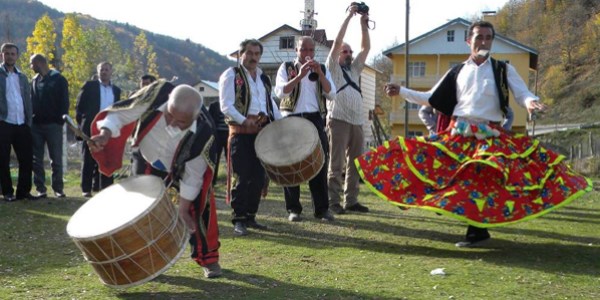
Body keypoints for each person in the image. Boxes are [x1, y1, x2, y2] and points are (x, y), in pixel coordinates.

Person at [359, 20, 591, 248]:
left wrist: (531, 103)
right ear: (469, 41)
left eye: (488, 37)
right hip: (459, 134)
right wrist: (402, 91)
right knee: (437, 167)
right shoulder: (457, 71)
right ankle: (473, 228)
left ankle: (477, 231)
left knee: (482, 179)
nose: (484, 41)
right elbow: (431, 98)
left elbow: (523, 93)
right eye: (479, 37)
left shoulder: (503, 69)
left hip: (490, 135)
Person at [87, 82, 222, 278]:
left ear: (195, 117)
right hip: (147, 159)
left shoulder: (204, 133)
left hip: (183, 167)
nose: (171, 124)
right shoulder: (154, 95)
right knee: (140, 210)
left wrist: (183, 209)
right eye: (169, 115)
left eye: (181, 122)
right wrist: (105, 134)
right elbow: (120, 114)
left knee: (201, 209)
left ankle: (209, 259)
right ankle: (143, 259)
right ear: (168, 101)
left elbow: (194, 178)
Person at [219, 39, 282, 236]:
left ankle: (251, 216)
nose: (254, 57)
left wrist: (280, 123)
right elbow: (226, 105)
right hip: (241, 133)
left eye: (257, 54)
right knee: (243, 175)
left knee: (258, 176)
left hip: (262, 132)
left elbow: (270, 102)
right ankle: (239, 218)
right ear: (241, 54)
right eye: (250, 53)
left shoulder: (263, 78)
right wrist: (244, 120)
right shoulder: (231, 74)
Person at [274, 36, 336, 222]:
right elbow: (280, 92)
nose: (307, 54)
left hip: (315, 118)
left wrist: (321, 74)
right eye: (303, 50)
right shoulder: (286, 68)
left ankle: (322, 209)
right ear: (296, 51)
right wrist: (300, 76)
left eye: (310, 50)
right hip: (291, 118)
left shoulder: (322, 68)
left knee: (320, 163)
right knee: (291, 164)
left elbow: (331, 94)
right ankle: (294, 209)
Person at [325, 3, 371, 215]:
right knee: (336, 164)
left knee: (356, 164)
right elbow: (336, 43)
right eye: (345, 51)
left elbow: (366, 49)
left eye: (350, 52)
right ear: (338, 54)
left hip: (357, 121)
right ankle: (333, 201)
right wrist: (349, 17)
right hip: (338, 119)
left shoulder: (354, 71)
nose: (349, 54)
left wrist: (364, 24)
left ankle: (350, 200)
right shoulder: (332, 67)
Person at [75, 62, 121, 197]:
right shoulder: (89, 86)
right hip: (91, 126)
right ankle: (86, 189)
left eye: (107, 70)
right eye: (102, 70)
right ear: (98, 71)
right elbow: (79, 107)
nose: (104, 72)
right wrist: (82, 124)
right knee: (88, 158)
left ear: (111, 72)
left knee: (107, 158)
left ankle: (106, 189)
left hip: (109, 128)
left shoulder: (116, 90)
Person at [29, 53, 69, 199]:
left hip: (53, 126)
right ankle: (41, 189)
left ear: (39, 63)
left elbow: (64, 102)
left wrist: (59, 121)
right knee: (36, 159)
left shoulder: (58, 79)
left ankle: (58, 188)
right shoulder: (34, 80)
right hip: (36, 126)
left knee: (56, 158)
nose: (30, 67)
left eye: (31, 64)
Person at [0, 42, 34, 201]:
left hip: (22, 123)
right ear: (2, 55)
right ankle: (7, 192)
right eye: (7, 53)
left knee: (26, 159)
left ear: (17, 56)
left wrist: (29, 120)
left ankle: (23, 192)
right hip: (4, 122)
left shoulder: (22, 76)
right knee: (3, 159)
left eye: (13, 54)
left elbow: (27, 99)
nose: (10, 56)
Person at [418, 105, 514, 136]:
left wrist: (502, 130)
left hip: (477, 135)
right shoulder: (441, 92)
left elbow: (509, 114)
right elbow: (423, 112)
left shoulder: (491, 95)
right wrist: (434, 128)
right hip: (442, 133)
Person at [207, 99, 228, 186]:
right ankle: (212, 182)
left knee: (230, 160)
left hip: (229, 135)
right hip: (217, 136)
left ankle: (231, 182)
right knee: (214, 160)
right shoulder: (214, 105)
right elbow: (209, 120)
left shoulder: (234, 106)